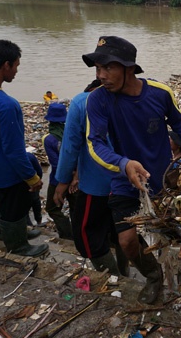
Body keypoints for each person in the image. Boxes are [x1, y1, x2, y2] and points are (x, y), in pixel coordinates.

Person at [84, 35, 181, 304]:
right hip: (125, 181)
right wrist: (124, 164)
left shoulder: (160, 93)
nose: (101, 76)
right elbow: (96, 144)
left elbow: (179, 124)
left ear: (128, 68)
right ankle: (152, 276)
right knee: (126, 242)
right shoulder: (98, 100)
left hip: (162, 180)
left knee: (173, 235)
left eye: (108, 68)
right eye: (97, 69)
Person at [0, 40, 48, 257]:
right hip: (4, 171)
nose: (16, 71)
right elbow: (14, 151)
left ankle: (2, 234)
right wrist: (32, 178)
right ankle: (18, 246)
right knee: (14, 207)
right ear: (6, 65)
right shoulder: (6, 105)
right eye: (16, 65)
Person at [54, 78, 128, 276]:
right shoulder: (133, 97)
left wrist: (62, 181)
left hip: (97, 186)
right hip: (129, 181)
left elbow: (70, 147)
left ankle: (114, 277)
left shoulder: (81, 102)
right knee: (123, 229)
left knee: (86, 234)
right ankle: (124, 271)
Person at [43, 102, 74, 240]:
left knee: (53, 208)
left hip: (58, 180)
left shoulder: (49, 139)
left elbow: (56, 164)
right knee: (75, 208)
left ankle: (67, 235)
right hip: (76, 179)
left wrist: (63, 182)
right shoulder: (72, 134)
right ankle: (79, 235)